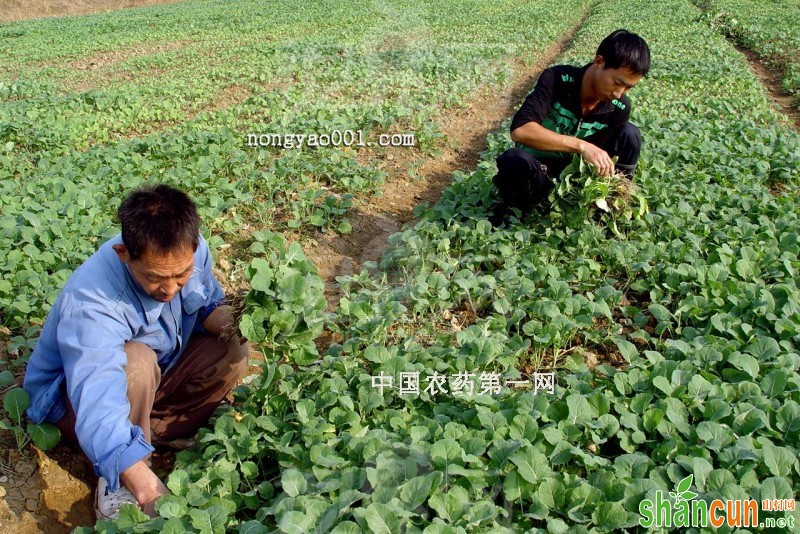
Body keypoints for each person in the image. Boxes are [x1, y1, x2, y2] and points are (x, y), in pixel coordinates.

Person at [23, 184, 248, 520]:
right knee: (137, 363)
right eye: (156, 278)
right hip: (74, 399)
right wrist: (147, 490)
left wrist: (247, 319)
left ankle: (146, 432)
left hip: (153, 377)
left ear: (195, 243)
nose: (170, 289)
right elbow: (97, 395)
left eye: (181, 275)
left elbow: (204, 306)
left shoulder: (191, 252)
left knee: (231, 347)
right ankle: (122, 475)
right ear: (124, 254)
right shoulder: (94, 301)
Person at [492, 29, 651, 216]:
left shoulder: (619, 106)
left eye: (628, 88)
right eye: (617, 82)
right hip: (537, 170)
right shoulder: (557, 80)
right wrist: (581, 145)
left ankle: (611, 208)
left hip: (574, 177)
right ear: (599, 62)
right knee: (513, 160)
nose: (619, 93)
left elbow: (602, 155)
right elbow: (521, 131)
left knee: (630, 134)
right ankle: (521, 211)